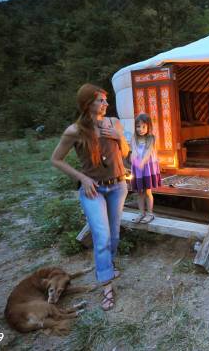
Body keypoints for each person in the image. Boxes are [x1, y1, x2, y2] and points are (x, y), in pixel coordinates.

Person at [50, 83, 129, 311]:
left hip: (117, 186)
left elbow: (124, 153)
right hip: (93, 190)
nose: (106, 103)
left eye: (106, 100)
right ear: (88, 104)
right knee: (102, 236)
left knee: (113, 234)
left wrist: (118, 138)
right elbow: (56, 159)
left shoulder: (114, 123)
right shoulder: (74, 131)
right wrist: (82, 178)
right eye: (101, 100)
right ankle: (107, 285)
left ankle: (107, 265)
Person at [130, 113, 161, 224]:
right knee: (140, 191)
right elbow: (133, 149)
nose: (140, 129)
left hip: (147, 166)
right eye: (138, 126)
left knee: (147, 191)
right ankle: (141, 213)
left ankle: (150, 213)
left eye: (143, 126)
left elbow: (148, 152)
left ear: (148, 126)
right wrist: (133, 156)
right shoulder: (134, 138)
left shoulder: (151, 138)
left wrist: (142, 162)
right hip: (138, 169)